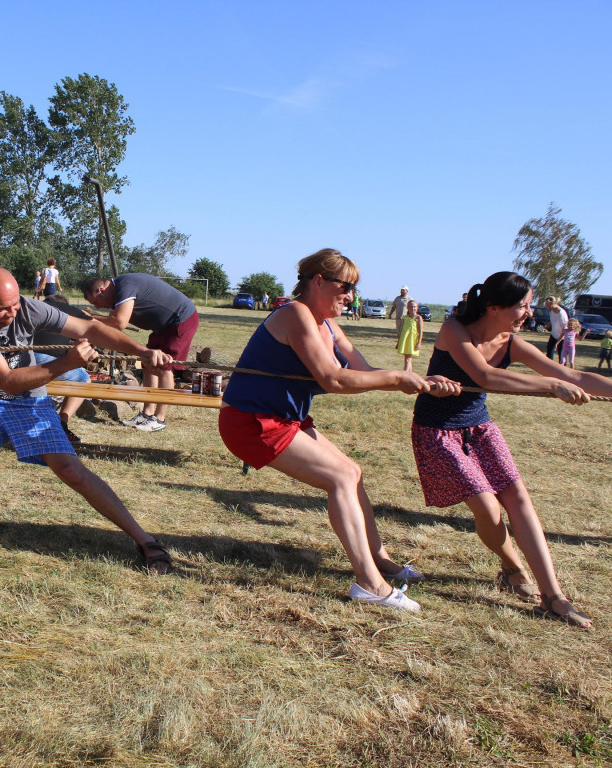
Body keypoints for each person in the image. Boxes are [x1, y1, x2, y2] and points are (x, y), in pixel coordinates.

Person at [217, 249, 460, 613]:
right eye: (345, 287)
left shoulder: (327, 324)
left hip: (283, 418)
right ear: (318, 281)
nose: (351, 297)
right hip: (251, 421)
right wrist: (397, 378)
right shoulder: (296, 314)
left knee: (353, 473)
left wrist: (422, 381)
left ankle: (379, 560)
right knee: (341, 476)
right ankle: (370, 585)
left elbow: (361, 368)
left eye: (354, 290)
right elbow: (333, 379)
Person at [0, 267, 174, 572]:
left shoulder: (29, 308)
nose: (12, 312)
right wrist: (68, 362)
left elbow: (91, 329)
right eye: (2, 308)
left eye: (14, 304)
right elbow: (8, 381)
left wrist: (142, 350)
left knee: (71, 470)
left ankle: (144, 539)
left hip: (30, 404)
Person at [411, 271, 610, 628]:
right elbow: (484, 376)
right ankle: (512, 566)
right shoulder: (455, 330)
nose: (529, 313)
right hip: (438, 431)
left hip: (480, 428)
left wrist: (571, 383)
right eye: (523, 306)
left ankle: (554, 598)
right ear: (493, 307)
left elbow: (574, 377)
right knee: (488, 509)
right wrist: (549, 386)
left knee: (518, 498)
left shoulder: (512, 342)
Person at [82, 273, 199, 433]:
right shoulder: (119, 290)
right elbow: (115, 318)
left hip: (180, 320)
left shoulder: (125, 286)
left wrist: (90, 318)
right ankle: (147, 414)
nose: (98, 307)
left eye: (96, 302)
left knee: (165, 367)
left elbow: (119, 323)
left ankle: (159, 419)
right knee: (148, 363)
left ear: (101, 290)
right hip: (162, 326)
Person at [33, 294, 94, 443]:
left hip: (24, 360)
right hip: (46, 361)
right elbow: (89, 330)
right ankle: (62, 423)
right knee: (84, 379)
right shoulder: (67, 313)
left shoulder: (33, 310)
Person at [396, 299, 424, 372]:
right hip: (405, 339)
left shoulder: (418, 318)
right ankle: (410, 374)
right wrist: (398, 341)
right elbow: (400, 330)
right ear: (408, 308)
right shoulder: (405, 318)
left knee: (408, 358)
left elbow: (420, 331)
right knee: (407, 358)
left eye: (414, 307)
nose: (413, 309)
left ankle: (405, 374)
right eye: (411, 307)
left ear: (417, 307)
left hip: (412, 340)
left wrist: (419, 342)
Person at [544, 296, 569, 360]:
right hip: (553, 335)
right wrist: (549, 324)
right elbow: (554, 319)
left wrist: (557, 342)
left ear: (552, 303)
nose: (546, 306)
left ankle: (562, 367)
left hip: (561, 337)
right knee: (549, 350)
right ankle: (549, 366)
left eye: (547, 304)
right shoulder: (551, 311)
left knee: (561, 354)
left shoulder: (561, 314)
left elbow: (565, 329)